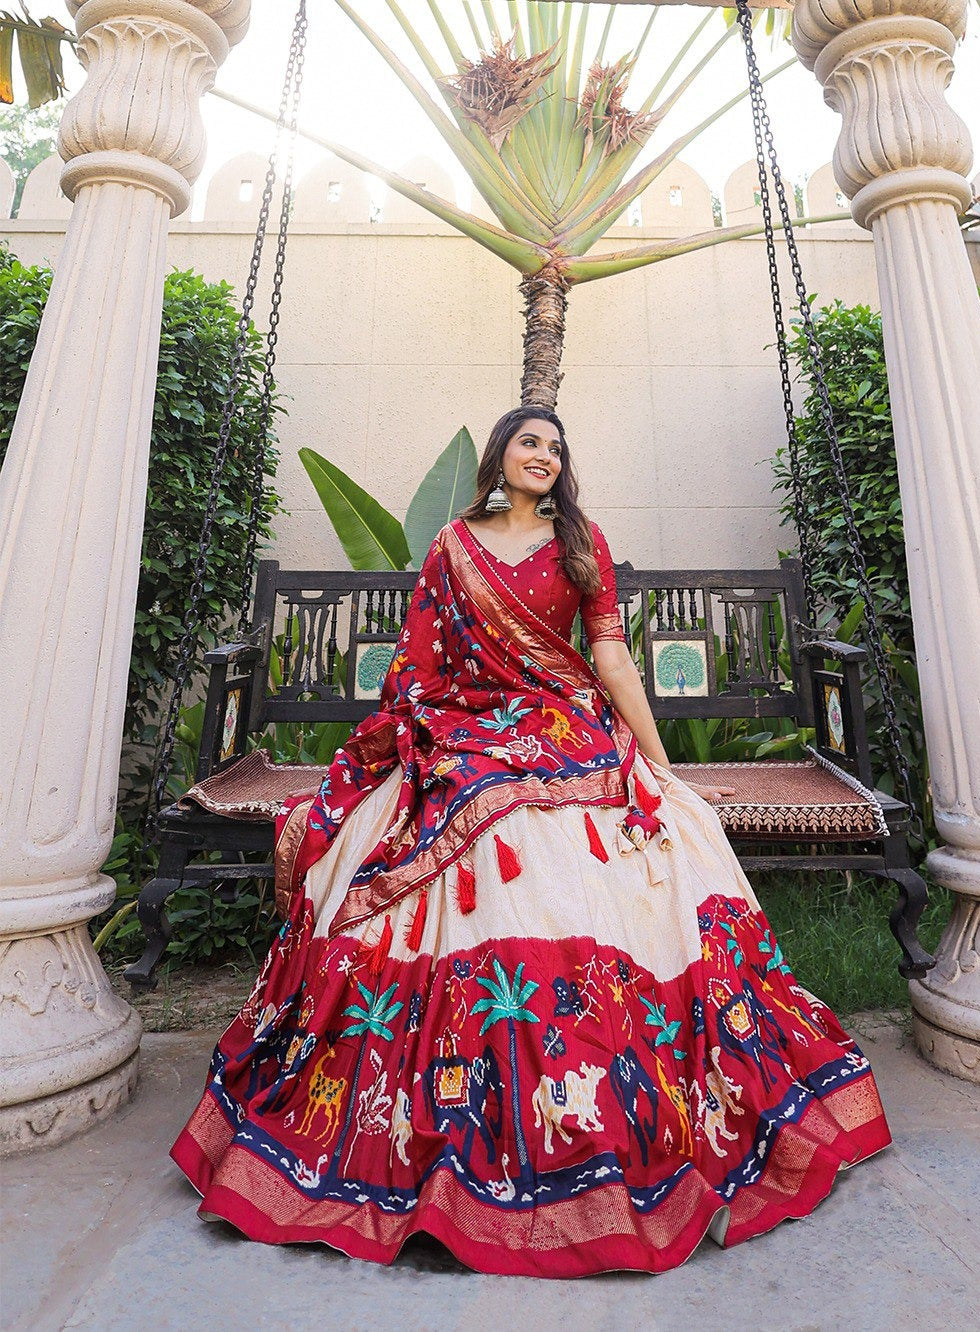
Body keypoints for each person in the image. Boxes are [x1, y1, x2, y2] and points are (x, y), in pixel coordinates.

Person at [172, 406, 890, 1278]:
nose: (544, 455)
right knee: (484, 792)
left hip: (566, 724)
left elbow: (612, 659)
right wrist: (434, 726)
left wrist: (658, 769)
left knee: (562, 804)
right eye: (529, 442)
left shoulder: (581, 543)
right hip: (465, 722)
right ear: (500, 457)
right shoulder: (451, 547)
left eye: (556, 446)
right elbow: (419, 662)